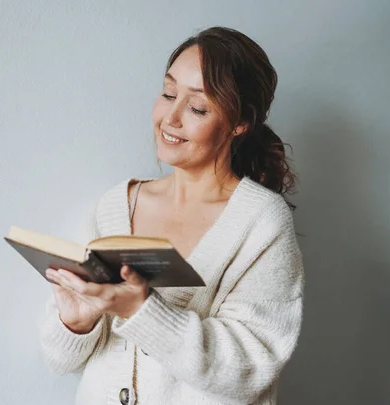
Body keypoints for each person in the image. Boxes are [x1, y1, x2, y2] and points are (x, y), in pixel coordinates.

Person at [40, 26, 304, 405]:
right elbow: (59, 359)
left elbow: (250, 366)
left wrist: (142, 311)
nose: (171, 118)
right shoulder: (115, 206)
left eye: (197, 107)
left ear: (240, 122)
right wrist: (76, 322)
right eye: (168, 93)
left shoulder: (261, 221)